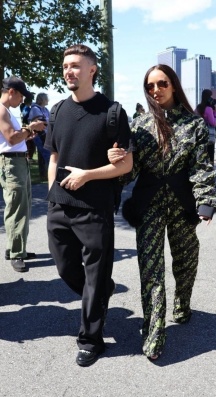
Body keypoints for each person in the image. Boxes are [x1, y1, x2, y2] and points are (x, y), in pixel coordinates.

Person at [108, 64, 216, 361]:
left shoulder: (193, 124)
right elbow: (130, 174)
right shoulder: (140, 125)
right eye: (151, 86)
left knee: (185, 260)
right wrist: (117, 161)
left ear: (173, 85)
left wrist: (205, 201)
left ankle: (183, 303)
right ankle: (154, 331)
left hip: (182, 205)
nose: (156, 90)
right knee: (150, 268)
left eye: (162, 83)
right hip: (149, 204)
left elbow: (201, 167)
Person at [44, 44, 133, 367]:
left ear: (92, 70)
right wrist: (54, 188)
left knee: (95, 277)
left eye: (76, 65)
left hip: (95, 209)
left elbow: (125, 166)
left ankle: (90, 339)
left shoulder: (112, 112)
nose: (69, 71)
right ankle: (100, 294)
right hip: (59, 206)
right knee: (66, 269)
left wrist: (88, 175)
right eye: (66, 66)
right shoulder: (57, 111)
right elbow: (54, 154)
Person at [0, 76, 47, 272]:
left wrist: (27, 132)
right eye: (21, 96)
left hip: (18, 161)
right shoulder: (1, 110)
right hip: (11, 162)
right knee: (17, 207)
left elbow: (15, 137)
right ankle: (16, 253)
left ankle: (16, 248)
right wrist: (31, 128)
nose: (22, 100)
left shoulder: (7, 111)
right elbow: (11, 138)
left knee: (22, 205)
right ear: (11, 91)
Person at [29, 93, 50, 180]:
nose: (48, 100)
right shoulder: (35, 109)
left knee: (44, 155)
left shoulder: (45, 109)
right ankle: (50, 175)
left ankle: (44, 174)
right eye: (46, 98)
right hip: (39, 135)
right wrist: (51, 120)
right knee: (47, 154)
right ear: (42, 99)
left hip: (46, 134)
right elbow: (41, 121)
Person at [195, 89, 216, 166]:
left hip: (198, 135)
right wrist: (215, 113)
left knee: (200, 155)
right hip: (208, 135)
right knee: (210, 155)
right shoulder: (209, 109)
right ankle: (209, 170)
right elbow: (213, 123)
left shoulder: (198, 108)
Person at [20, 94, 36, 160]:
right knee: (29, 142)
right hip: (27, 125)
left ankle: (30, 156)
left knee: (31, 142)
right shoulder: (25, 107)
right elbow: (26, 115)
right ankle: (29, 156)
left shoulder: (25, 107)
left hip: (26, 125)